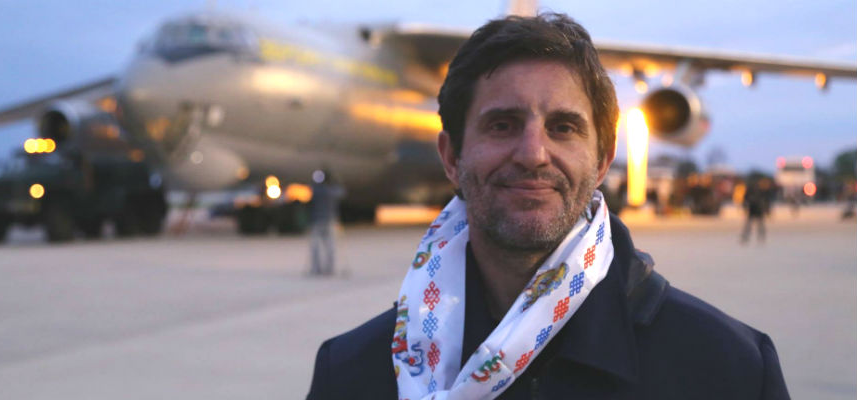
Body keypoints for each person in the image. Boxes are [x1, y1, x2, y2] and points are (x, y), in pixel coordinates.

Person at [307, 13, 789, 399]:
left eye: (563, 127)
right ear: (451, 157)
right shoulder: (354, 375)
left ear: (602, 160)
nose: (533, 154)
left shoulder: (728, 370)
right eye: (502, 125)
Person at [309, 169, 344, 276]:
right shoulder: (331, 190)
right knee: (329, 247)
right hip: (328, 221)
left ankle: (317, 269)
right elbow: (341, 192)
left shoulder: (316, 190)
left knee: (316, 247)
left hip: (319, 221)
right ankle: (329, 269)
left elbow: (310, 193)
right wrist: (336, 181)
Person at [741, 178, 771, 244]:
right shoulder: (761, 190)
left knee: (753, 224)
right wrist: (767, 210)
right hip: (757, 209)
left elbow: (745, 199)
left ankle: (747, 237)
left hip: (754, 209)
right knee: (756, 224)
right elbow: (765, 201)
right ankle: (760, 237)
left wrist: (745, 207)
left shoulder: (751, 190)